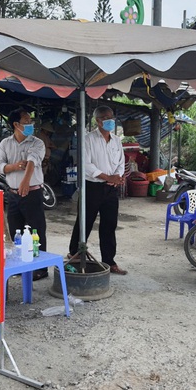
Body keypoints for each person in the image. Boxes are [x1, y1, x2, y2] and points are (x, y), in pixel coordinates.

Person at [68, 105, 127, 275]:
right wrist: (108, 177)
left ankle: (109, 260)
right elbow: (86, 165)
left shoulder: (116, 140)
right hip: (92, 187)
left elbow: (121, 163)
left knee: (109, 225)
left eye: (111, 117)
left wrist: (117, 176)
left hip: (111, 189)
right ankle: (75, 254)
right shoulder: (88, 139)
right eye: (105, 117)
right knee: (84, 222)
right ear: (98, 121)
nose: (110, 120)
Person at [0, 109, 49, 281]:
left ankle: (40, 268)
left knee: (36, 231)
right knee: (16, 231)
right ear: (16, 125)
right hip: (12, 194)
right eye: (26, 120)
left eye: (30, 120)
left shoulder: (37, 142)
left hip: (32, 192)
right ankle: (21, 264)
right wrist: (15, 166)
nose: (30, 123)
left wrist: (25, 181)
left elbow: (33, 160)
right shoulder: (5, 143)